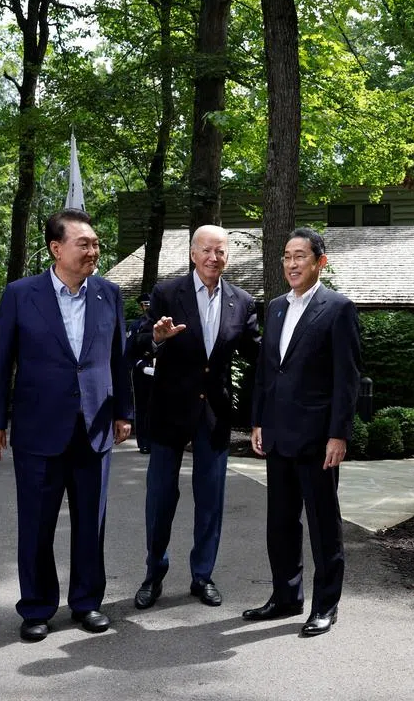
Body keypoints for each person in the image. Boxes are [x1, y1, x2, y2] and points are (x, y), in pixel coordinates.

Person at [0, 208, 134, 643]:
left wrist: (124, 412)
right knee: (36, 523)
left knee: (91, 523)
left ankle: (87, 602)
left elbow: (119, 358)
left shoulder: (108, 294)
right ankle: (36, 607)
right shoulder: (20, 294)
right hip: (38, 429)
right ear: (56, 248)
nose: (93, 251)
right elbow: (1, 362)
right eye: (83, 244)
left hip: (94, 428)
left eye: (96, 243)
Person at [128, 225, 260, 611]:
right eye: (206, 250)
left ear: (227, 257)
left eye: (220, 251)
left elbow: (259, 357)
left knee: (211, 501)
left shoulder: (242, 301)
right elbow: (139, 342)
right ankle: (153, 574)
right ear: (192, 254)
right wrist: (156, 337)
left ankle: (203, 576)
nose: (213, 258)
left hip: (213, 415)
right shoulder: (167, 294)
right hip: (169, 413)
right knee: (160, 501)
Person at [243, 227, 361, 637]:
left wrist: (338, 435)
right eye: (287, 257)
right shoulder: (276, 307)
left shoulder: (338, 308)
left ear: (319, 262)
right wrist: (258, 420)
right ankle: (285, 597)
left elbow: (347, 379)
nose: (292, 264)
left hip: (317, 440)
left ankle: (325, 605)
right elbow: (266, 371)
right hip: (277, 435)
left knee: (323, 525)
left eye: (300, 256)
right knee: (280, 523)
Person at [125, 293, 154, 456]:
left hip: (161, 371)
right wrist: (140, 365)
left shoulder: (162, 322)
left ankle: (157, 442)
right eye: (145, 305)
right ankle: (144, 442)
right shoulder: (136, 325)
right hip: (142, 371)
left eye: (150, 304)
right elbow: (129, 351)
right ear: (141, 307)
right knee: (142, 407)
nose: (148, 308)